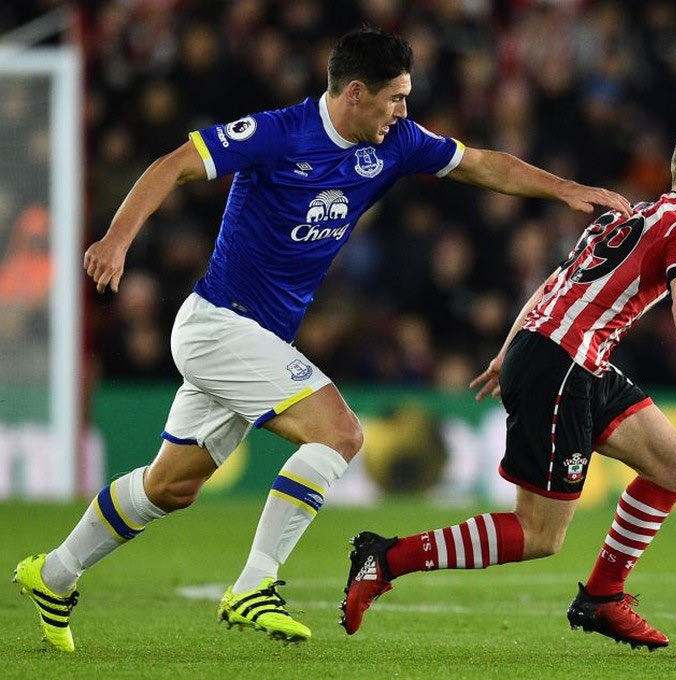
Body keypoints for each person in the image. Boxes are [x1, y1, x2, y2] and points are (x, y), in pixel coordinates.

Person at [11, 26, 632, 653]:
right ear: (355, 93)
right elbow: (173, 166)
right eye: (395, 98)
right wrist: (116, 239)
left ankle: (53, 575)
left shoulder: (396, 143)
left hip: (259, 340)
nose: (403, 111)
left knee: (170, 486)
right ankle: (254, 585)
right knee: (340, 434)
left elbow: (481, 164)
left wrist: (567, 190)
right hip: (219, 325)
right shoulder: (279, 133)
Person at [340, 124, 676, 651]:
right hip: (563, 364)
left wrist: (507, 351)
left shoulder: (628, 216)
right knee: (539, 534)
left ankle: (603, 596)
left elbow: (553, 283)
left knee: (675, 463)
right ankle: (386, 558)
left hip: (566, 356)